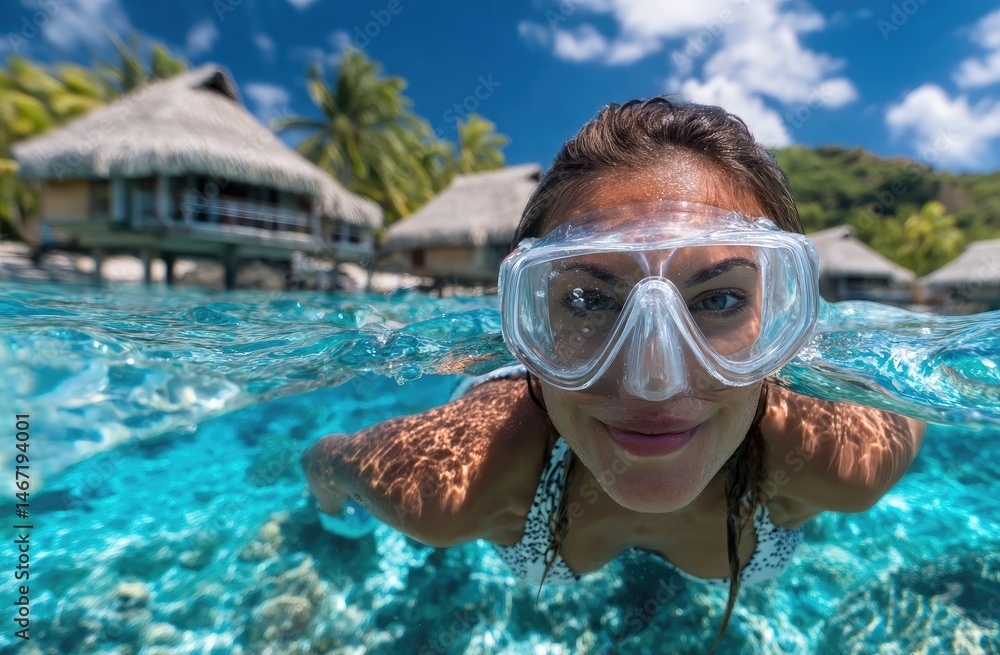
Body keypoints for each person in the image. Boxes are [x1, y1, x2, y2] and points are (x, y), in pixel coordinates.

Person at [300, 97, 926, 652]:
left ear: (785, 319)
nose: (655, 382)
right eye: (588, 300)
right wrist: (330, 522)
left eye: (719, 299)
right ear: (526, 318)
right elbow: (325, 464)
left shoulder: (846, 460)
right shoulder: (449, 486)